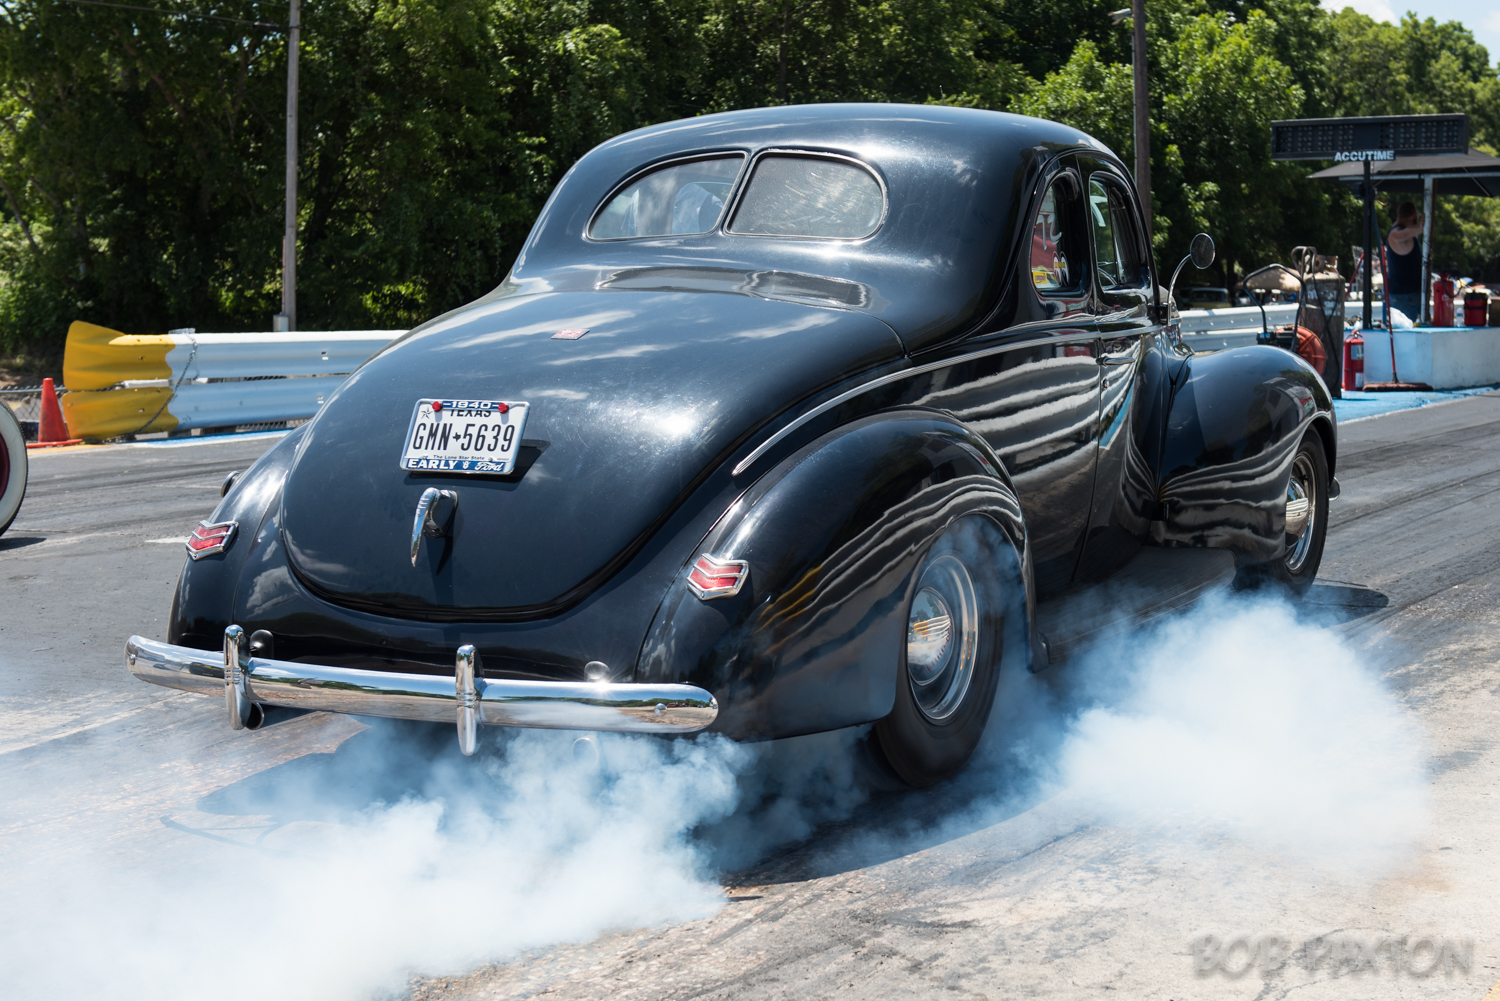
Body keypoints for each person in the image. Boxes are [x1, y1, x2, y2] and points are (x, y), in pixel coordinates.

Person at [1386, 201, 1424, 323]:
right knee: (1407, 336)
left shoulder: (1403, 232)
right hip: (1404, 296)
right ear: (1413, 215)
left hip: (1409, 294)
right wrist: (1420, 228)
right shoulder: (1395, 233)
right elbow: (1402, 235)